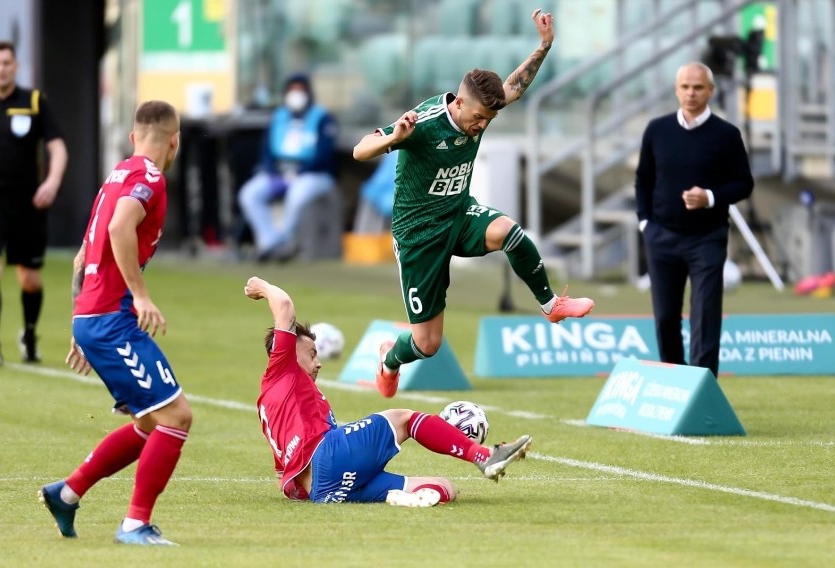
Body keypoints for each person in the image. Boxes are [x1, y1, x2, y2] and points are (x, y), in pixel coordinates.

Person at [352, 9, 594, 398]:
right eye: (479, 118)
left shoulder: (479, 110)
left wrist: (544, 46)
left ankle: (551, 305)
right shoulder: (423, 124)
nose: (482, 126)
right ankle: (388, 359)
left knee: (509, 232)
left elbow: (514, 87)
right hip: (419, 237)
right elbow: (359, 150)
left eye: (489, 118)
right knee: (427, 344)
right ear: (460, 105)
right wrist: (392, 138)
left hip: (459, 214)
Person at [38, 101, 191, 546]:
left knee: (149, 424)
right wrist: (140, 294)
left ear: (132, 137)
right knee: (176, 416)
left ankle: (66, 494)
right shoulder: (149, 178)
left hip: (94, 316)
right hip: (111, 319)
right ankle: (134, 525)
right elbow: (119, 230)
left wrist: (77, 322)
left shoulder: (115, 177)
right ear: (174, 140)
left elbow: (82, 257)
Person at [245, 275, 532, 506]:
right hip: (329, 457)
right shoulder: (282, 366)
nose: (318, 363)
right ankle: (482, 455)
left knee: (446, 488)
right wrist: (262, 287)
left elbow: (283, 473)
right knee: (403, 418)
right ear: (287, 351)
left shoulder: (268, 404)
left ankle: (404, 498)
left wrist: (307, 490)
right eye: (311, 354)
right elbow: (283, 305)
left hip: (324, 490)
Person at [634, 62, 754, 378]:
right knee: (665, 318)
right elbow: (643, 179)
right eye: (685, 86)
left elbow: (744, 183)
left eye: (698, 87)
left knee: (705, 315)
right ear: (676, 89)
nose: (691, 93)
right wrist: (645, 223)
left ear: (710, 91)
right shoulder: (656, 130)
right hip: (662, 237)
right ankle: (675, 383)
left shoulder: (726, 134)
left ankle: (702, 388)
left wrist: (710, 197)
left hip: (707, 237)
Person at [0, 40, 68, 365]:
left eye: (7, 63)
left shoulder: (34, 101)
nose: (1, 68)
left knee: (30, 279)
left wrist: (51, 182)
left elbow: (58, 146)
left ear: (16, 66)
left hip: (27, 202)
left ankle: (30, 334)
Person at [237, 73, 337, 262]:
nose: (296, 95)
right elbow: (266, 152)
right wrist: (276, 172)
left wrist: (299, 173)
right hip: (280, 173)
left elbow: (324, 155)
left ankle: (284, 242)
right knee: (249, 193)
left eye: (300, 91)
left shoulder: (322, 117)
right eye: (292, 91)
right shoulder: (279, 116)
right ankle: (270, 242)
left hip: (312, 174)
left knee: (297, 194)